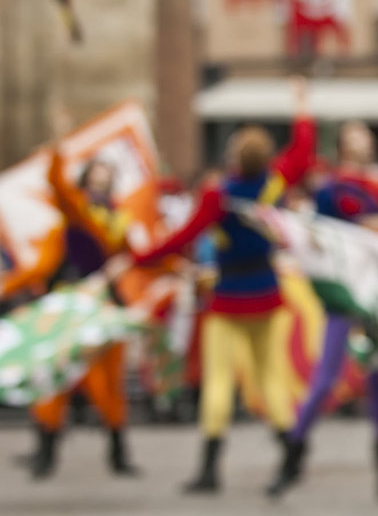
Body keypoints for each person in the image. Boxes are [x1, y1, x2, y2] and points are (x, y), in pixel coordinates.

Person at [132, 77, 315, 494]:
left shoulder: (219, 195)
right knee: (271, 378)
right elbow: (303, 153)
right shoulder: (273, 185)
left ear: (234, 156)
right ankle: (290, 447)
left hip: (229, 297)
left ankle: (210, 469)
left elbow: (181, 238)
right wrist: (301, 104)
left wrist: (140, 258)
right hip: (267, 292)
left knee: (218, 381)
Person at [267, 120, 378, 501]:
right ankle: (292, 458)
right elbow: (322, 229)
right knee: (325, 377)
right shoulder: (333, 188)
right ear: (344, 146)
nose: (364, 141)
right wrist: (366, 225)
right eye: (355, 135)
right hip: (346, 291)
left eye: (367, 134)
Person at [21, 109, 139, 479]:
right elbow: (58, 183)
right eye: (96, 171)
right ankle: (45, 451)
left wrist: (127, 266)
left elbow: (135, 256)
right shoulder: (77, 212)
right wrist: (60, 145)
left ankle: (118, 453)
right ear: (87, 178)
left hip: (104, 303)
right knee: (54, 379)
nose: (102, 176)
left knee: (109, 383)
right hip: (70, 302)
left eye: (108, 172)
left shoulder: (120, 219)